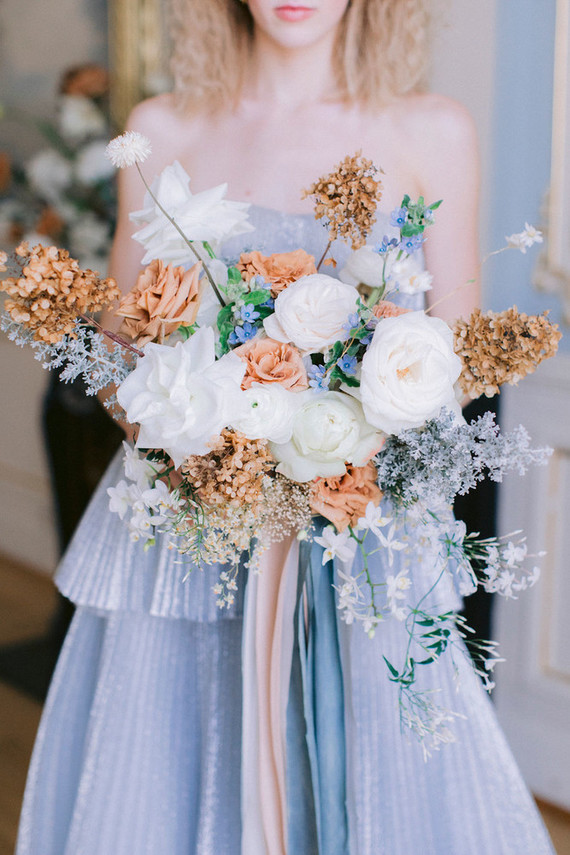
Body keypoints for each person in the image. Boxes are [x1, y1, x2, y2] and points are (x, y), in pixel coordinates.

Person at [16, 1, 555, 853]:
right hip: (188, 525)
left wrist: (334, 434)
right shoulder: (161, 127)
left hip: (362, 530)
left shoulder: (432, 129)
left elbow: (449, 364)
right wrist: (216, 437)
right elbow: (123, 359)